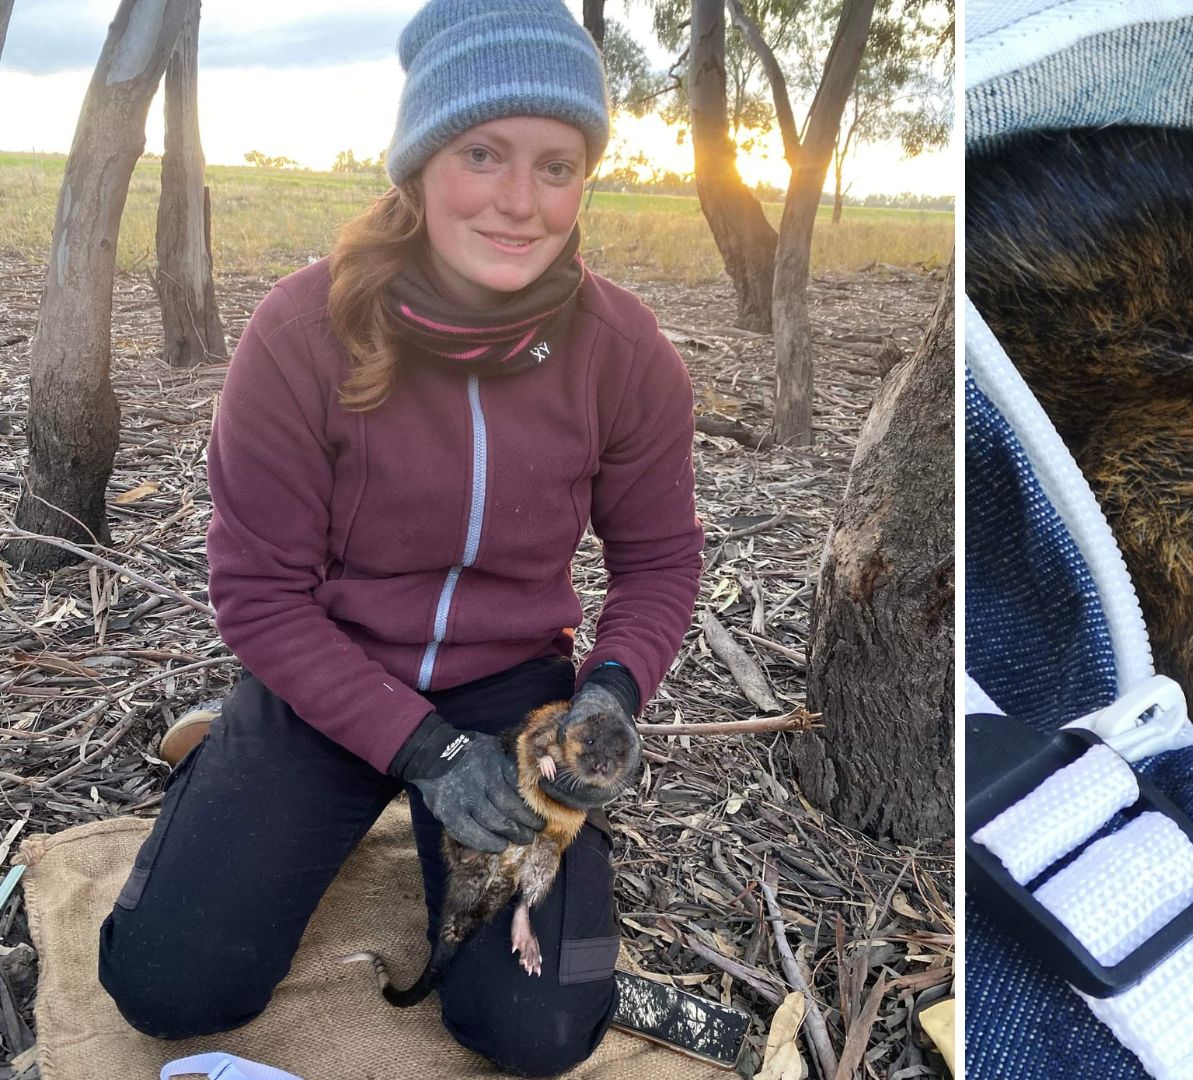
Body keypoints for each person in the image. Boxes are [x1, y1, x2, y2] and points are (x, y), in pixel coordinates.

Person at [95, 0, 703, 1073]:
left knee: (537, 1029)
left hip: (512, 696)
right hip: (326, 683)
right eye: (483, 153)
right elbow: (258, 594)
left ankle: (491, 850)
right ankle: (231, 762)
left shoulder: (625, 351)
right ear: (421, 162)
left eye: (556, 166)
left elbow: (656, 559)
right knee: (170, 985)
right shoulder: (301, 333)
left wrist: (611, 689)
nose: (521, 202)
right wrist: (420, 750)